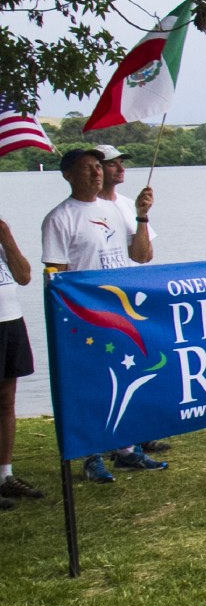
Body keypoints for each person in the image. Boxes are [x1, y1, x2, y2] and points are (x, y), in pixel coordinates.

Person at [40, 147, 166, 481]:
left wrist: (141, 216)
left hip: (121, 312)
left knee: (124, 379)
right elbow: (56, 273)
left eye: (98, 167)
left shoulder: (113, 209)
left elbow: (141, 256)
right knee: (90, 385)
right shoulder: (60, 217)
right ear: (68, 175)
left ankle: (126, 450)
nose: (96, 173)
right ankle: (91, 454)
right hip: (86, 316)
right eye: (86, 168)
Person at [95, 144, 171, 457]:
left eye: (121, 163)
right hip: (94, 303)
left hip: (126, 302)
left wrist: (141, 216)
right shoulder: (81, 209)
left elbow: (142, 256)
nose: (120, 168)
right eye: (112, 164)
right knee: (102, 373)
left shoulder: (127, 205)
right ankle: (107, 440)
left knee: (135, 367)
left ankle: (135, 433)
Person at [0, 215, 43, 510]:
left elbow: (25, 276)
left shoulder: (2, 236)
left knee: (6, 400)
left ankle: (5, 475)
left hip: (10, 321)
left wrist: (6, 235)